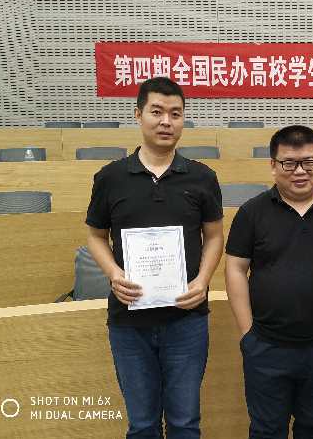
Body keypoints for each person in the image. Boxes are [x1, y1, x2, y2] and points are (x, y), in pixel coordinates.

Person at [86, 76, 224, 439]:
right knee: (142, 424)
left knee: (185, 423)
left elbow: (214, 237)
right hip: (129, 322)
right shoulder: (111, 177)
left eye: (176, 114)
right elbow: (95, 236)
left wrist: (203, 281)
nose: (166, 121)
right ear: (138, 115)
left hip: (186, 319)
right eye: (157, 112)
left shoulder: (202, 177)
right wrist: (114, 273)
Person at [224, 125, 313, 439]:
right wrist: (248, 333)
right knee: (266, 430)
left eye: (308, 162)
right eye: (288, 163)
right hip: (266, 346)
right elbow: (235, 268)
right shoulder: (251, 213)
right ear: (273, 165)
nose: (300, 171)